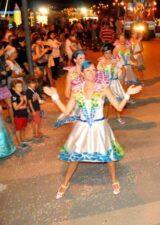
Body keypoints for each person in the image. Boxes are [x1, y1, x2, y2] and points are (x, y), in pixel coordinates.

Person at [43, 60, 142, 199]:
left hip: (100, 127)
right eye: (88, 70)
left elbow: (118, 107)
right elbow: (66, 111)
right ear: (82, 73)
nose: (92, 72)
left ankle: (114, 180)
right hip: (82, 128)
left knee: (109, 156)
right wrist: (54, 97)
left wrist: (127, 94)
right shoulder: (76, 90)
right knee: (75, 156)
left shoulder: (103, 88)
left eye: (94, 70)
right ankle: (65, 183)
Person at [97, 43, 126, 124]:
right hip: (105, 85)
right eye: (106, 53)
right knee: (106, 103)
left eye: (109, 52)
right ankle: (105, 118)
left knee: (117, 101)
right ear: (103, 53)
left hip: (115, 84)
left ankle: (119, 117)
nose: (108, 54)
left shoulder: (116, 60)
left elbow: (123, 69)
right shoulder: (101, 62)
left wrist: (122, 80)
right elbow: (99, 74)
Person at [11, 80, 30, 150]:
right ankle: (19, 144)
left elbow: (25, 106)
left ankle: (23, 140)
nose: (20, 87)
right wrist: (22, 101)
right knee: (18, 129)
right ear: (14, 88)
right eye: (18, 86)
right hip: (18, 116)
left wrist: (26, 101)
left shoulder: (22, 94)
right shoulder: (14, 96)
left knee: (23, 128)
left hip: (24, 114)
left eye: (21, 86)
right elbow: (15, 108)